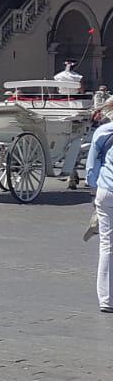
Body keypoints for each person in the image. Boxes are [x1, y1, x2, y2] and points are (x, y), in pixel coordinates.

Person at [83, 116, 113, 313]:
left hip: (107, 190)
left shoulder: (105, 131)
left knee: (107, 244)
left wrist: (93, 186)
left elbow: (92, 165)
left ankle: (107, 299)